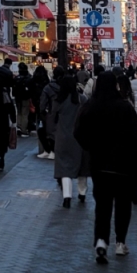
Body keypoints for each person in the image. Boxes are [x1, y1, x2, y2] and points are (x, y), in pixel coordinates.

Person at [75, 72, 137, 262]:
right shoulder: (125, 107)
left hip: (99, 165)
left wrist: (90, 146)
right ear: (115, 86)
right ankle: (120, 243)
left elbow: (78, 131)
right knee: (123, 205)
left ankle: (101, 241)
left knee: (102, 205)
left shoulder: (90, 106)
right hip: (125, 166)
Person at [51, 73, 90, 206]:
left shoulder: (58, 101)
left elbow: (52, 118)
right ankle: (82, 193)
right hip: (79, 138)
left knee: (64, 167)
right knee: (81, 166)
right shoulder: (81, 99)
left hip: (62, 138)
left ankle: (67, 197)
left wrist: (52, 133)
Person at [37, 67, 63, 160]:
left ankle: (50, 151)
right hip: (64, 112)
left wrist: (42, 111)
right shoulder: (66, 86)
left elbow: (43, 102)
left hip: (51, 112)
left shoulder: (48, 87)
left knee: (48, 132)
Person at [31, 65, 51, 156]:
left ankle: (41, 148)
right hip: (45, 107)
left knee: (39, 127)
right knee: (46, 127)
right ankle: (47, 149)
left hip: (36, 106)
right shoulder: (46, 81)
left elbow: (32, 94)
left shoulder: (33, 80)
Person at [14, 62, 33, 135]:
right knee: (25, 113)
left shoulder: (17, 78)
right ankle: (24, 129)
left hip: (18, 97)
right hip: (26, 97)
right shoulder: (29, 77)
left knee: (19, 112)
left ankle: (19, 126)